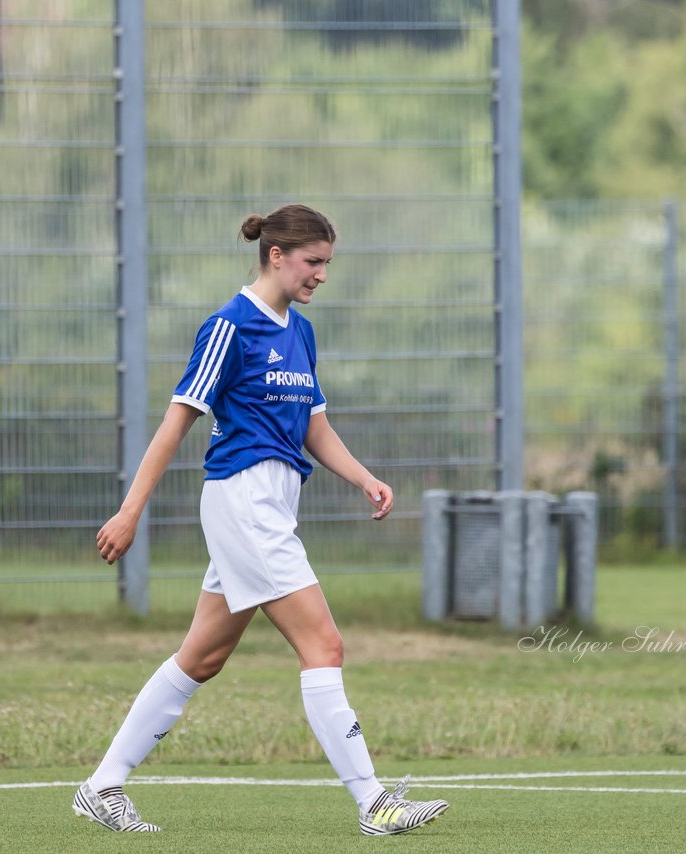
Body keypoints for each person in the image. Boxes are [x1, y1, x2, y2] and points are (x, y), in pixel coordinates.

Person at [73, 204, 449, 836]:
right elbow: (175, 425)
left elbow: (312, 427)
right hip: (243, 501)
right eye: (313, 262)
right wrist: (129, 511)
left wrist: (363, 478)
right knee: (323, 644)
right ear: (276, 256)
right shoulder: (229, 327)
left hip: (272, 504)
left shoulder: (299, 331)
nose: (321, 275)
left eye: (327, 264)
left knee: (203, 656)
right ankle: (375, 803)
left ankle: (101, 786)